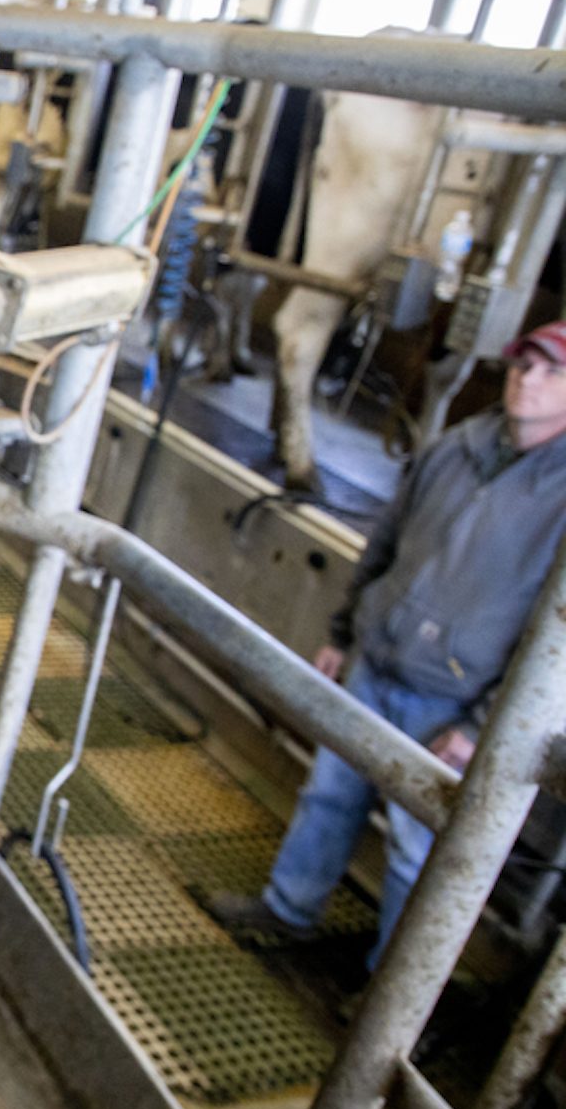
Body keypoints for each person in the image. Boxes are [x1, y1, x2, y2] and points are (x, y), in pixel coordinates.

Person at [207, 320, 566, 970]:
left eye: (551, 371)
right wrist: (344, 634)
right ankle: (289, 910)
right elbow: (386, 543)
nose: (529, 380)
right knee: (330, 794)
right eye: (524, 364)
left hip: (453, 700)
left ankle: (387, 988)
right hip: (380, 657)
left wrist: (483, 726)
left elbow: (557, 645)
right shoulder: (456, 446)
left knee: (416, 849)